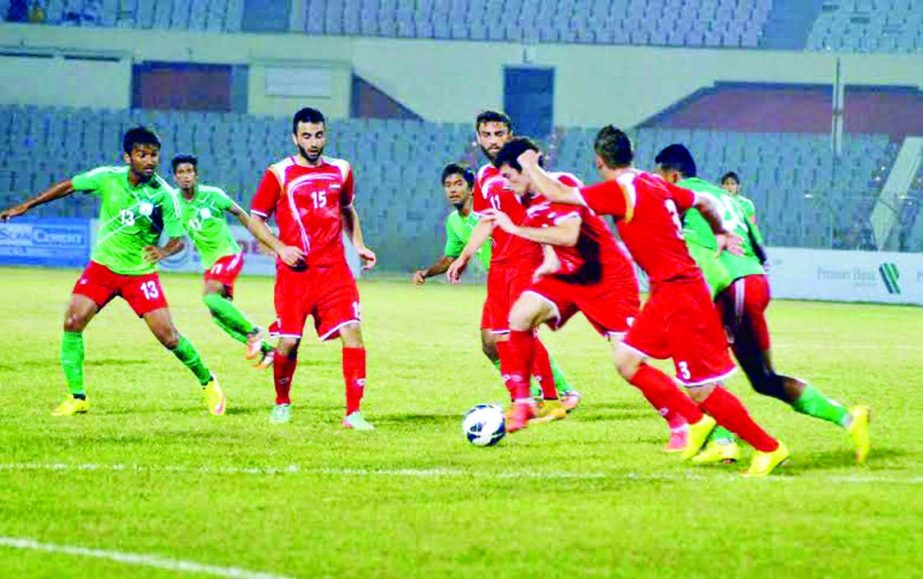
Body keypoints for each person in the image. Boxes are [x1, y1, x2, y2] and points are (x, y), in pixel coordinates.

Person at [515, 125, 790, 477]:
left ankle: (768, 447)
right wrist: (720, 230)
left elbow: (557, 193)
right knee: (627, 360)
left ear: (599, 161)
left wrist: (531, 164)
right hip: (665, 291)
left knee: (700, 387)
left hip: (681, 294)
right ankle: (694, 423)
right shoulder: (653, 182)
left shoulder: (622, 191)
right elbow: (704, 201)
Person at [655, 144, 870, 464]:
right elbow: (759, 249)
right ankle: (849, 418)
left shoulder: (680, 194)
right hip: (753, 283)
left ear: (673, 174)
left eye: (660, 176)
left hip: (730, 287)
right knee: (763, 379)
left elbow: (693, 248)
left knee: (697, 368)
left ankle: (726, 442)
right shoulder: (730, 199)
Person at [0, 127, 225, 416]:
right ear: (127, 156)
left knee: (168, 337)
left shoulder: (164, 196)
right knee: (73, 321)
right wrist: (27, 206)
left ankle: (208, 382)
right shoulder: (107, 177)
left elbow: (178, 239)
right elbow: (69, 186)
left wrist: (164, 251)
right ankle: (77, 397)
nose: (149, 161)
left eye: (154, 155)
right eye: (142, 155)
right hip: (103, 269)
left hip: (140, 274)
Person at [250, 107, 377, 429]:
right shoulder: (278, 174)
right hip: (296, 274)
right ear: (295, 137)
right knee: (289, 342)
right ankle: (282, 402)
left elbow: (348, 210)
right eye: (306, 135)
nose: (313, 141)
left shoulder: (341, 170)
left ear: (326, 134)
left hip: (335, 270)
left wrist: (359, 245)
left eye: (318, 134)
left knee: (353, 333)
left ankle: (353, 413)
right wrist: (280, 247)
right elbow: (255, 219)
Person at [446, 111, 580, 415]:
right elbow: (486, 221)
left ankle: (554, 396)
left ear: (509, 134)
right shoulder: (482, 177)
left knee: (519, 331)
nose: (492, 141)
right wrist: (464, 256)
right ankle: (528, 397)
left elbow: (545, 213)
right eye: (486, 134)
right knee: (492, 339)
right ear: (478, 138)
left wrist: (549, 256)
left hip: (527, 260)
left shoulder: (525, 172)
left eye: (498, 133)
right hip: (500, 265)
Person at [172, 154, 304, 370]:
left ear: (196, 175)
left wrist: (263, 238)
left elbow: (241, 213)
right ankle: (267, 351)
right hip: (209, 264)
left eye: (189, 172)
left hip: (228, 255)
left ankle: (254, 332)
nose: (185, 176)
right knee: (219, 317)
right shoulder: (174, 203)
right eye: (181, 173)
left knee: (211, 298)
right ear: (175, 177)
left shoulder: (212, 195)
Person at [412, 163, 489, 285]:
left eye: (459, 184)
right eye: (448, 185)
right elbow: (450, 259)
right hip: (498, 277)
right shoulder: (453, 221)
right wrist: (425, 273)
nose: (452, 190)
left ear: (471, 188)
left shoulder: (489, 211)